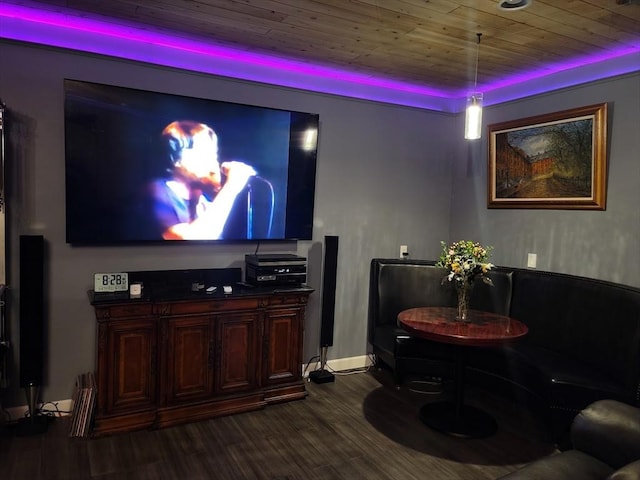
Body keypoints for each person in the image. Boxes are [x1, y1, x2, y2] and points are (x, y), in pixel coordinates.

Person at [150, 120, 256, 240]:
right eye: (203, 152)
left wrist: (217, 190)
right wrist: (231, 187)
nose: (212, 159)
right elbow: (193, 240)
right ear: (176, 159)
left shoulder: (203, 194)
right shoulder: (156, 191)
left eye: (213, 153)